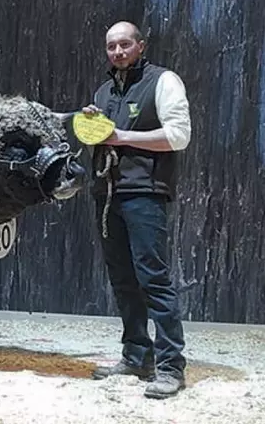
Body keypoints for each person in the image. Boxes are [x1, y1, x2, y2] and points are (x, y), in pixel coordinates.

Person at [80, 21, 191, 399]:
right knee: (123, 281)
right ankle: (136, 355)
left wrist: (120, 135)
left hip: (145, 193)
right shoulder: (103, 90)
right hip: (107, 195)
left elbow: (179, 136)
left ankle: (171, 367)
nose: (118, 52)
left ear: (140, 45)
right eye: (111, 47)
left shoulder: (164, 81)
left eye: (125, 44)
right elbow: (101, 139)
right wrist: (91, 125)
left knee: (154, 279)